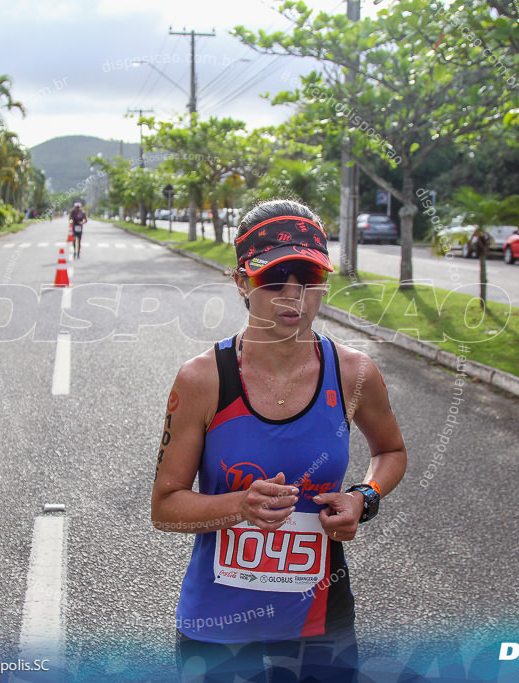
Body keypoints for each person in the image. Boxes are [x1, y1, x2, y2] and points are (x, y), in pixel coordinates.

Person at [151, 199, 407, 682]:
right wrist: (238, 507)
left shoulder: (354, 373)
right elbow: (165, 508)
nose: (294, 296)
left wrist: (363, 497)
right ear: (242, 283)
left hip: (319, 620)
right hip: (219, 623)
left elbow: (391, 451)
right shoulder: (203, 379)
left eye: (308, 279)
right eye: (274, 279)